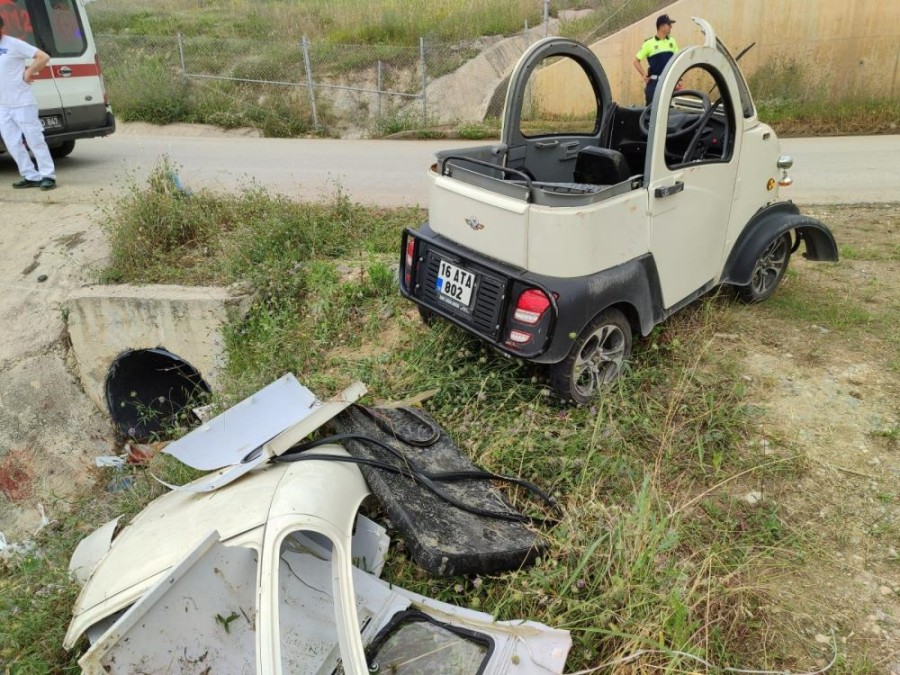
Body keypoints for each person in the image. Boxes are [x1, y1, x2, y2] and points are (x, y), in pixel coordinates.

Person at [0, 15, 57, 190]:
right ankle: (30, 175)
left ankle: (48, 176)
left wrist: (29, 72)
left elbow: (43, 57)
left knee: (35, 139)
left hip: (22, 103)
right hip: (2, 105)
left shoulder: (13, 44)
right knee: (12, 143)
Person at [633, 14, 679, 106]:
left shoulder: (672, 41)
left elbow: (677, 61)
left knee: (669, 112)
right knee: (651, 112)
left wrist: (678, 80)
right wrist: (644, 75)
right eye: (669, 24)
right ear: (662, 27)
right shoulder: (649, 43)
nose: (671, 27)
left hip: (669, 82)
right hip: (654, 84)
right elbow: (636, 61)